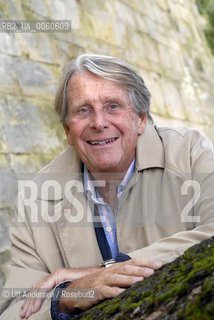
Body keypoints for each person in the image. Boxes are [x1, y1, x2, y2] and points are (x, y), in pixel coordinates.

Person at [0, 54, 214, 320]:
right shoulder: (36, 198)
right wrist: (69, 295)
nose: (99, 123)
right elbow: (13, 310)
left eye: (113, 106)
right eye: (83, 110)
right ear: (67, 130)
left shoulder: (190, 154)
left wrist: (110, 269)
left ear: (141, 119)